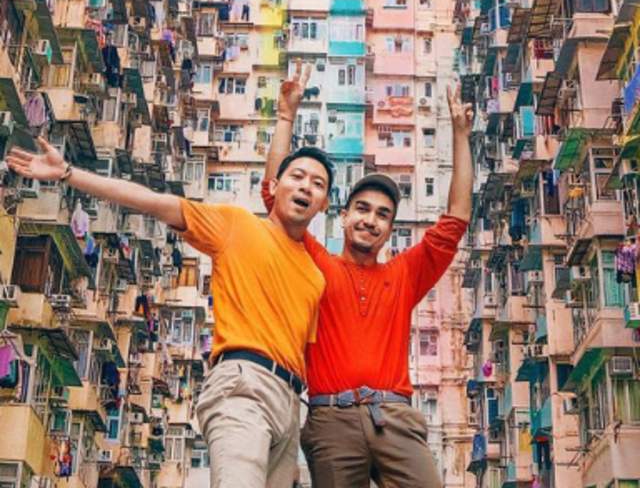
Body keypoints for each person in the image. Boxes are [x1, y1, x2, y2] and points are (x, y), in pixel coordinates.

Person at [6, 114, 332, 488]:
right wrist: (68, 174)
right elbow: (154, 202)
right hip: (243, 384)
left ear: (323, 204)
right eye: (298, 176)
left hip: (290, 403)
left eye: (317, 183)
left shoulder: (315, 275)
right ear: (273, 186)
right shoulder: (237, 225)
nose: (306, 186)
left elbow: (302, 350)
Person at [262, 65, 474, 487]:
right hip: (331, 419)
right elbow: (274, 196)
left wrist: (461, 135)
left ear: (390, 229)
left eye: (382, 215)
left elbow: (456, 219)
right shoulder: (316, 263)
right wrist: (286, 116)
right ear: (343, 217)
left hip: (394, 417)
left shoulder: (405, 273)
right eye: (362, 209)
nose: (370, 221)